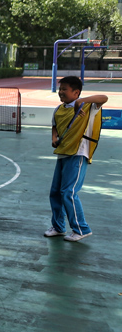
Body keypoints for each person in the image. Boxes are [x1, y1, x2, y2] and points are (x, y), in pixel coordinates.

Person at [44, 76, 107, 242]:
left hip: (79, 153)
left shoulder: (89, 106)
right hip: (63, 152)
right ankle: (58, 227)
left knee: (68, 192)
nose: (61, 92)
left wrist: (81, 101)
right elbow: (55, 127)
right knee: (56, 192)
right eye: (60, 89)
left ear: (76, 92)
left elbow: (104, 98)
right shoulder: (59, 109)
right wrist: (54, 138)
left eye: (65, 89)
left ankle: (81, 229)